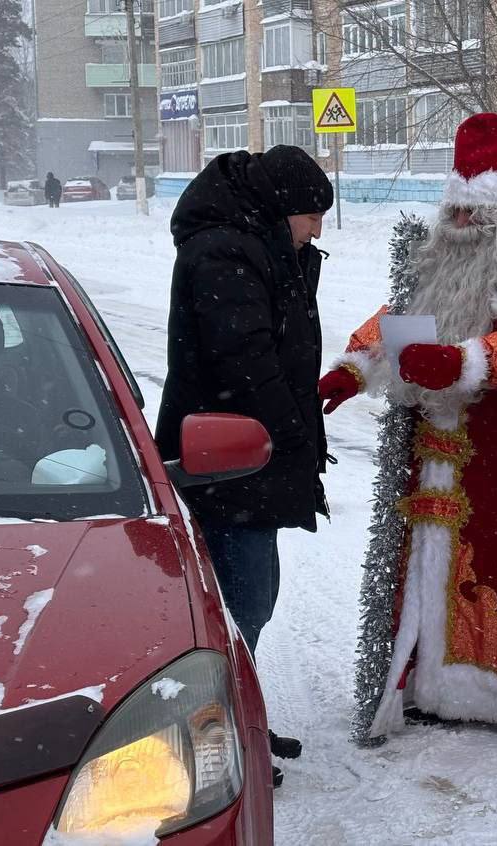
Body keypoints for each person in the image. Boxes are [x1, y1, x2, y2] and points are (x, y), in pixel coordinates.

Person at [318, 113, 497, 751]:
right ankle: (434, 688)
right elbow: (401, 315)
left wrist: (464, 360)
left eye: (478, 212)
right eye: (460, 211)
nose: (465, 224)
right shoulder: (439, 248)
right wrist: (355, 365)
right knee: (430, 569)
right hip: (437, 450)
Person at [154, 144, 333, 787]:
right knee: (236, 604)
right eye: (312, 216)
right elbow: (248, 363)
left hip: (245, 456)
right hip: (224, 461)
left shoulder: (256, 246)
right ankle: (211, 739)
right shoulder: (223, 253)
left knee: (247, 602)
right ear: (281, 207)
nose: (317, 230)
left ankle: (237, 718)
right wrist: (291, 433)